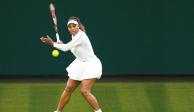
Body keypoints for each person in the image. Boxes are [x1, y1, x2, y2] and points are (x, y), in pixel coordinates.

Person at [40, 16, 103, 112]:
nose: (72, 28)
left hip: (91, 64)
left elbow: (66, 48)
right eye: (70, 26)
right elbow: (70, 48)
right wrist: (61, 44)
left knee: (84, 91)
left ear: (78, 26)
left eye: (74, 26)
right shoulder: (74, 36)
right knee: (68, 88)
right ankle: (58, 111)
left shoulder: (81, 36)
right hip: (80, 63)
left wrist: (52, 43)